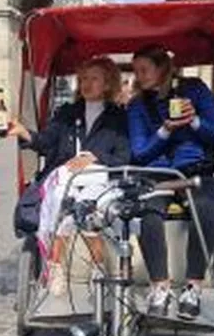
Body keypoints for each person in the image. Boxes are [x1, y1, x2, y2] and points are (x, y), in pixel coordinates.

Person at [8, 56, 129, 296]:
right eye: (82, 79)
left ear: (107, 84)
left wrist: (96, 158)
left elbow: (125, 156)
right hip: (66, 179)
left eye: (93, 79)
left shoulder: (119, 117)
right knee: (62, 205)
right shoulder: (67, 113)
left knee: (89, 211)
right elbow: (46, 141)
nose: (86, 84)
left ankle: (98, 268)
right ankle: (56, 267)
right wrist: (24, 133)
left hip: (102, 179)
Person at [126, 44, 214, 319]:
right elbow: (140, 152)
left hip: (195, 169)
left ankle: (193, 285)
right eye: (136, 71)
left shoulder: (194, 89)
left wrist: (193, 121)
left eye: (144, 70)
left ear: (162, 68)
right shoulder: (137, 106)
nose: (139, 76)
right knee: (146, 210)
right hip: (158, 173)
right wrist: (165, 130)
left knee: (208, 207)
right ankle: (160, 285)